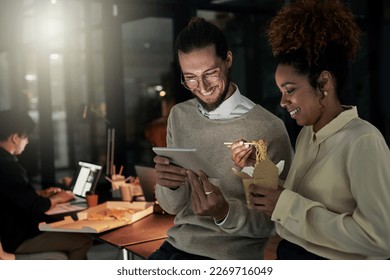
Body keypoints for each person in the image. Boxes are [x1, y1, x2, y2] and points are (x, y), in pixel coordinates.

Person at [231, 0, 390, 260]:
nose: (283, 102)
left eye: (290, 90)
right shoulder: (308, 134)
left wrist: (283, 204)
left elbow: (381, 239)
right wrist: (255, 167)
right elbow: (299, 201)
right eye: (281, 91)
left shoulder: (363, 140)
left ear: (324, 82)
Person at [149, 17, 293, 260]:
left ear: (228, 60)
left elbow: (274, 222)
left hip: (229, 258)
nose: (202, 87)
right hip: (175, 247)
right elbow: (172, 207)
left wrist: (225, 212)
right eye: (190, 77)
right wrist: (169, 185)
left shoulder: (268, 127)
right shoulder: (179, 115)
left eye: (210, 73)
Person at [0, 109, 93, 259]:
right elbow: (35, 207)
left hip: (10, 233)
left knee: (64, 227)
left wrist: (40, 194)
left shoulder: (4, 163)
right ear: (15, 138)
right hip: (16, 238)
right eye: (26, 137)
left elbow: (12, 197)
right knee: (83, 240)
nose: (27, 142)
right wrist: (59, 198)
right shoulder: (8, 167)